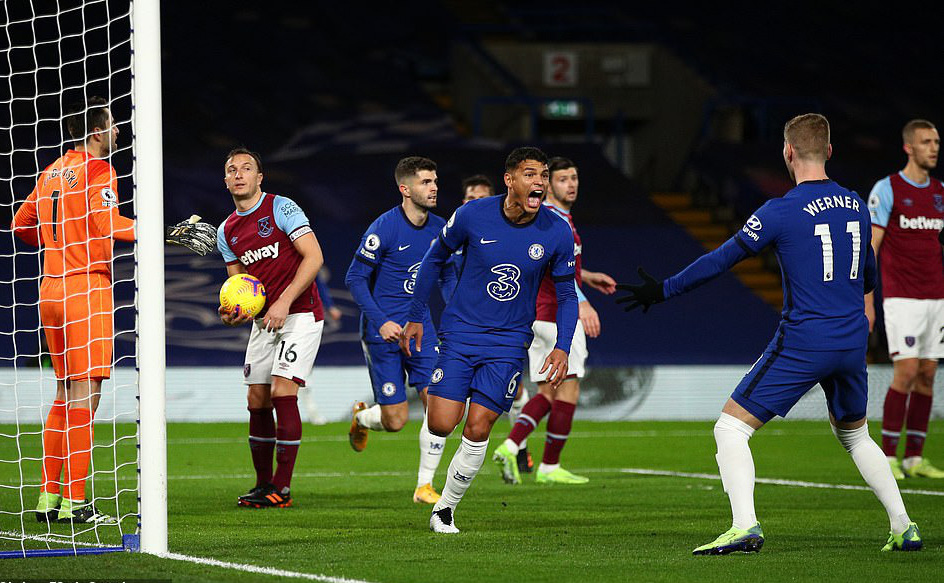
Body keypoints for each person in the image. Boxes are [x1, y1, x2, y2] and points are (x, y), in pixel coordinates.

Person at [617, 114, 921, 554]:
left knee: (730, 428)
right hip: (852, 337)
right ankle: (904, 526)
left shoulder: (780, 209)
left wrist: (663, 290)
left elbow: (721, 260)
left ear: (788, 152)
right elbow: (869, 274)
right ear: (830, 152)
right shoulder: (856, 204)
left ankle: (745, 526)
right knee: (855, 435)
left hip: (806, 339)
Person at [400, 147, 578, 533]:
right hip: (461, 334)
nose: (540, 182)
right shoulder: (472, 215)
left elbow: (566, 294)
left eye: (544, 175)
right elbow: (434, 260)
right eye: (531, 174)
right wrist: (416, 314)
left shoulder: (556, 231)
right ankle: (434, 485)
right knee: (442, 422)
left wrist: (563, 345)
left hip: (509, 343)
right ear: (510, 179)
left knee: (478, 428)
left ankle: (445, 508)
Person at [12, 96, 133, 525]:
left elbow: (20, 225)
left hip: (49, 291)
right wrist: (153, 230)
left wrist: (55, 245)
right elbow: (107, 224)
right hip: (86, 288)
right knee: (86, 393)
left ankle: (48, 497)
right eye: (114, 125)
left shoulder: (49, 173)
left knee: (64, 391)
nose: (119, 132)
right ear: (98, 132)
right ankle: (76, 502)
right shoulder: (101, 170)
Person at [493, 156, 617, 485]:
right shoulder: (552, 222)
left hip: (537, 316)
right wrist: (584, 303)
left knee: (548, 390)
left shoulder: (555, 220)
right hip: (557, 315)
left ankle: (514, 446)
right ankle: (539, 460)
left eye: (574, 178)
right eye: (562, 179)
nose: (571, 184)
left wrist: (586, 276)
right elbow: (559, 279)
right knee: (567, 391)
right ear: (548, 186)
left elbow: (559, 268)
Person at [216, 147, 326, 509]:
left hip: (302, 314)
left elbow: (314, 257)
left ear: (259, 177)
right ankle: (263, 485)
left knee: (282, 392)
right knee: (256, 400)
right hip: (266, 321)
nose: (239, 174)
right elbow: (241, 287)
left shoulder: (282, 208)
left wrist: (284, 301)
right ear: (226, 180)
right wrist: (233, 311)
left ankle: (283, 487)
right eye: (232, 170)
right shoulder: (226, 230)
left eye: (247, 168)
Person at [344, 156, 453, 504]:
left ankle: (424, 486)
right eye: (425, 182)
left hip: (423, 332)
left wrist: (452, 316)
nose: (433, 187)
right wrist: (382, 320)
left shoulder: (442, 229)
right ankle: (363, 417)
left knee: (437, 405)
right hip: (383, 333)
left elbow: (449, 275)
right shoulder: (384, 228)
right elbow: (355, 278)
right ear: (405, 189)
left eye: (435, 180)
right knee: (395, 421)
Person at [866, 119, 944, 480]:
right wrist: (866, 300)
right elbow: (872, 247)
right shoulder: (888, 189)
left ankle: (914, 457)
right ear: (908, 147)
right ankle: (888, 456)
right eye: (926, 142)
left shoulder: (940, 192)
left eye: (937, 142)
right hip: (901, 298)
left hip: (936, 298)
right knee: (907, 372)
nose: (934, 148)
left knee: (928, 376)